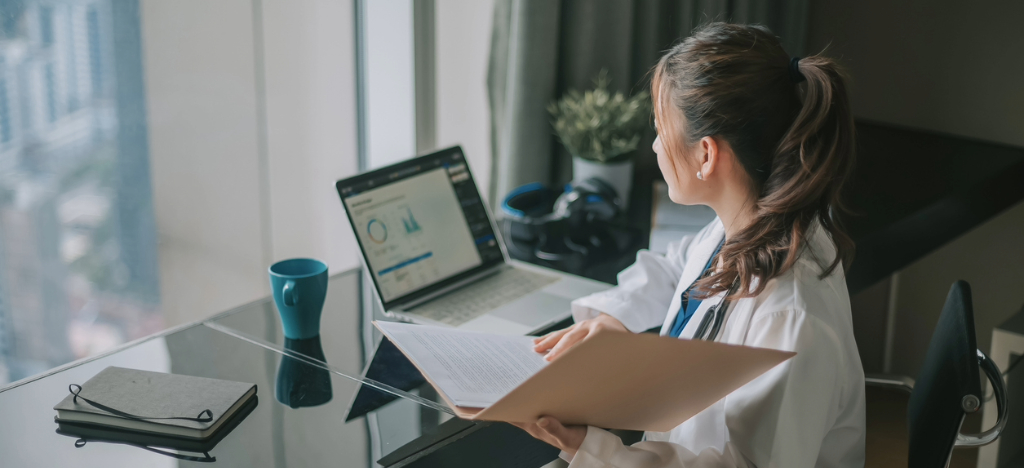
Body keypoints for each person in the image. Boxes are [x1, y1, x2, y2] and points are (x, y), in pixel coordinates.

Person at [514, 23, 866, 467]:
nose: (657, 146)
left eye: (661, 129)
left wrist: (592, 448)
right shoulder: (743, 225)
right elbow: (674, 266)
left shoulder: (790, 313)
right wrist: (612, 318)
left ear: (706, 154)